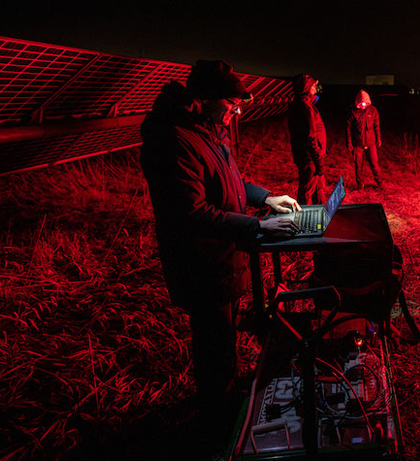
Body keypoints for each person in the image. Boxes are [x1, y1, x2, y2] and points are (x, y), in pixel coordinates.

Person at [139, 60, 301, 441]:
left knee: (222, 338)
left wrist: (266, 197)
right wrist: (256, 226)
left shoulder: (205, 131)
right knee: (213, 343)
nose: (237, 112)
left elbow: (229, 180)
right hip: (201, 262)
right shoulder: (176, 139)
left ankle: (226, 402)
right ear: (206, 100)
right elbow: (190, 213)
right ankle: (217, 429)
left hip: (221, 258)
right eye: (231, 104)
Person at [287, 74, 327, 204]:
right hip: (310, 158)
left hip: (310, 157)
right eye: (313, 86)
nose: (315, 88)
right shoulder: (304, 108)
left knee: (316, 189)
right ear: (306, 88)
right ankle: (305, 220)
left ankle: (320, 216)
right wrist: (318, 160)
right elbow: (310, 137)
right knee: (307, 192)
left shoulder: (302, 104)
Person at [346, 89, 382, 190]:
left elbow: (376, 126)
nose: (363, 105)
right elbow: (348, 128)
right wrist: (349, 142)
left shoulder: (373, 111)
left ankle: (379, 183)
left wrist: (378, 138)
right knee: (358, 164)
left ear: (368, 101)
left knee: (374, 163)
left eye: (364, 102)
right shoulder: (353, 112)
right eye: (361, 103)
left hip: (371, 143)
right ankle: (360, 184)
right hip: (358, 143)